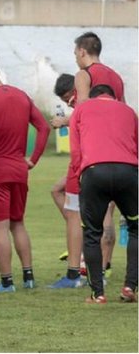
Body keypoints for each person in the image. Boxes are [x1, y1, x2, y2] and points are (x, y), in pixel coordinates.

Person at [0, 53, 50, 292]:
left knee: (0, 228)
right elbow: (44, 127)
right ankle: (29, 277)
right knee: (18, 224)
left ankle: (7, 281)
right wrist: (33, 159)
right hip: (19, 170)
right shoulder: (21, 95)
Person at [67, 84, 137, 303]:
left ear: (94, 96)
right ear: (114, 97)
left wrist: (80, 174)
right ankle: (130, 287)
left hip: (94, 172)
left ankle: (98, 293)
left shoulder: (82, 109)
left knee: (91, 233)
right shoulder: (129, 111)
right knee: (136, 228)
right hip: (128, 171)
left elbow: (75, 148)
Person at [48, 74, 85, 288]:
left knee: (85, 214)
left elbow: (87, 115)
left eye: (65, 99)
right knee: (57, 190)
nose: (66, 104)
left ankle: (76, 273)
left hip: (85, 165)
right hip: (83, 164)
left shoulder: (84, 101)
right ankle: (79, 234)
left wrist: (64, 121)